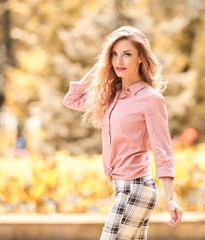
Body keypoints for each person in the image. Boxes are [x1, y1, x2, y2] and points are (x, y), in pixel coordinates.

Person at [63, 26, 182, 240]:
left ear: (140, 58)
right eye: (115, 54)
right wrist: (102, 64)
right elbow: (72, 100)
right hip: (120, 187)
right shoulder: (112, 97)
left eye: (127, 54)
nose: (119, 61)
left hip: (137, 188)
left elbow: (163, 148)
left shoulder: (150, 99)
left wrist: (170, 198)